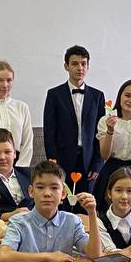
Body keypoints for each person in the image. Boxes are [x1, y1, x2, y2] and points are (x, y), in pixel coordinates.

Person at [42, 45, 105, 189]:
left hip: (89, 162)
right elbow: (49, 132)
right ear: (66, 66)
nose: (80, 68)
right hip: (62, 161)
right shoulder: (54, 95)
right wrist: (53, 162)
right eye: (75, 64)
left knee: (86, 200)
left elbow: (101, 133)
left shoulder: (98, 96)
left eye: (83, 64)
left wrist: (97, 164)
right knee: (62, 199)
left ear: (88, 66)